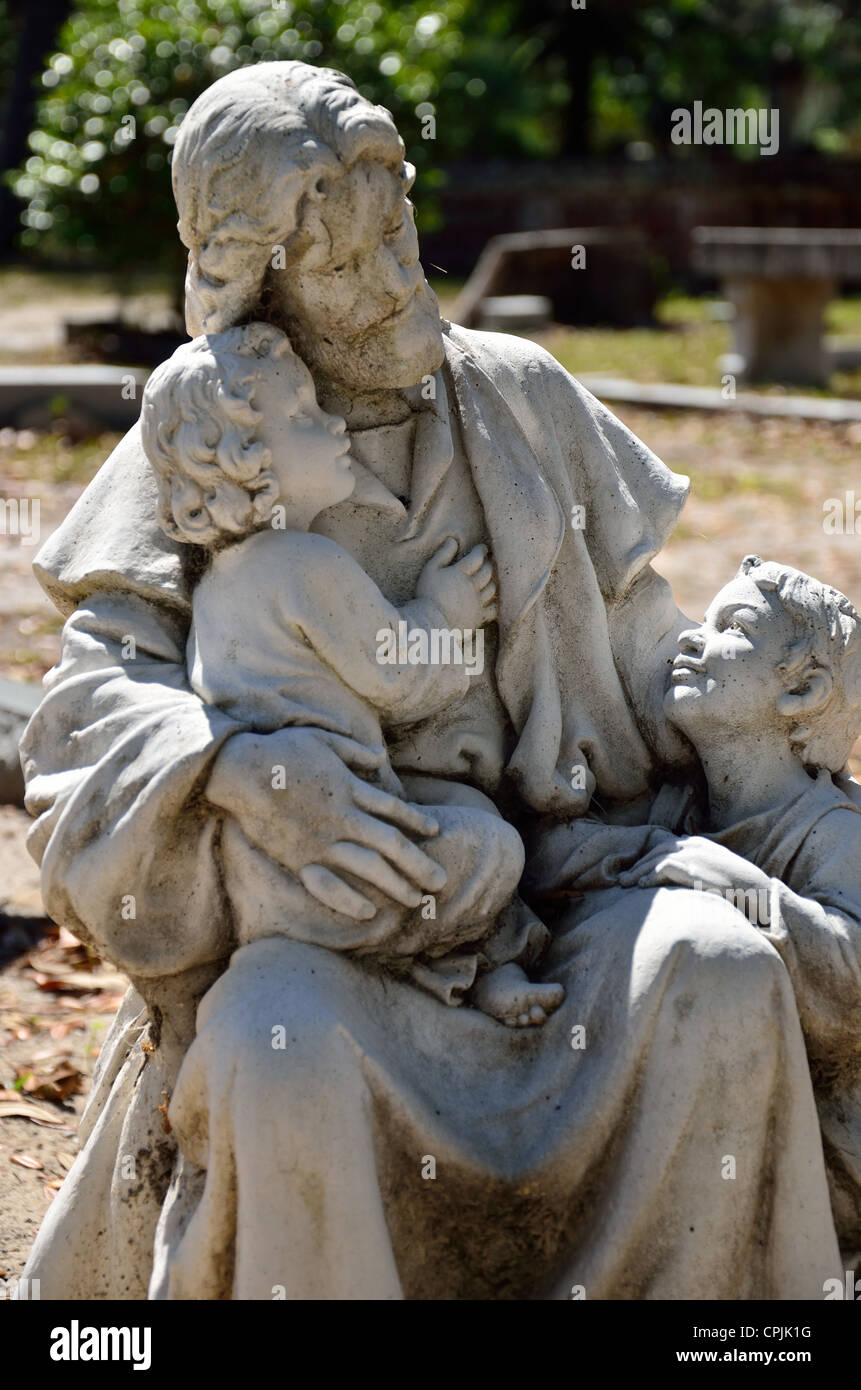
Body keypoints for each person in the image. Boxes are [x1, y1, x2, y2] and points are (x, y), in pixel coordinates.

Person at [17, 62, 844, 1300]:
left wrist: (783, 745)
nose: (398, 277)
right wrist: (238, 769)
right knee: (276, 1050)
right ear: (262, 284)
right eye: (346, 266)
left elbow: (645, 661)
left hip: (563, 885)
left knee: (716, 977)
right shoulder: (212, 429)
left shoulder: (523, 403)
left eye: (399, 230)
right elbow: (86, 716)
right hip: (329, 929)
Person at [140, 321, 563, 1026]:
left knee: (466, 812)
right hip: (332, 851)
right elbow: (396, 677)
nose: (334, 423)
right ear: (250, 458)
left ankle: (463, 970)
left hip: (262, 854)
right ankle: (445, 970)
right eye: (303, 416)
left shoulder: (221, 581)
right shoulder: (306, 564)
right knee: (491, 847)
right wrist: (446, 611)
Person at [533, 556, 861, 1270]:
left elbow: (849, 981)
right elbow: (555, 856)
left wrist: (726, 882)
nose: (689, 640)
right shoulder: (678, 808)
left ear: (803, 688)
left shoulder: (833, 831)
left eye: (731, 629)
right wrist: (657, 850)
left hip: (832, 1158)